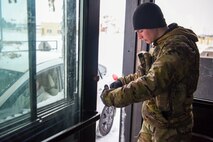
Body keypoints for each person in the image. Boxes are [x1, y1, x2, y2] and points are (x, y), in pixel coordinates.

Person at [101, 2, 200, 142]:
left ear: (153, 24)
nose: (139, 37)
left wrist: (112, 98)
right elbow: (144, 75)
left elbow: (151, 83)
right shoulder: (160, 45)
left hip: (171, 129)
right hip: (154, 122)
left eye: (141, 31)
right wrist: (122, 82)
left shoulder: (177, 48)